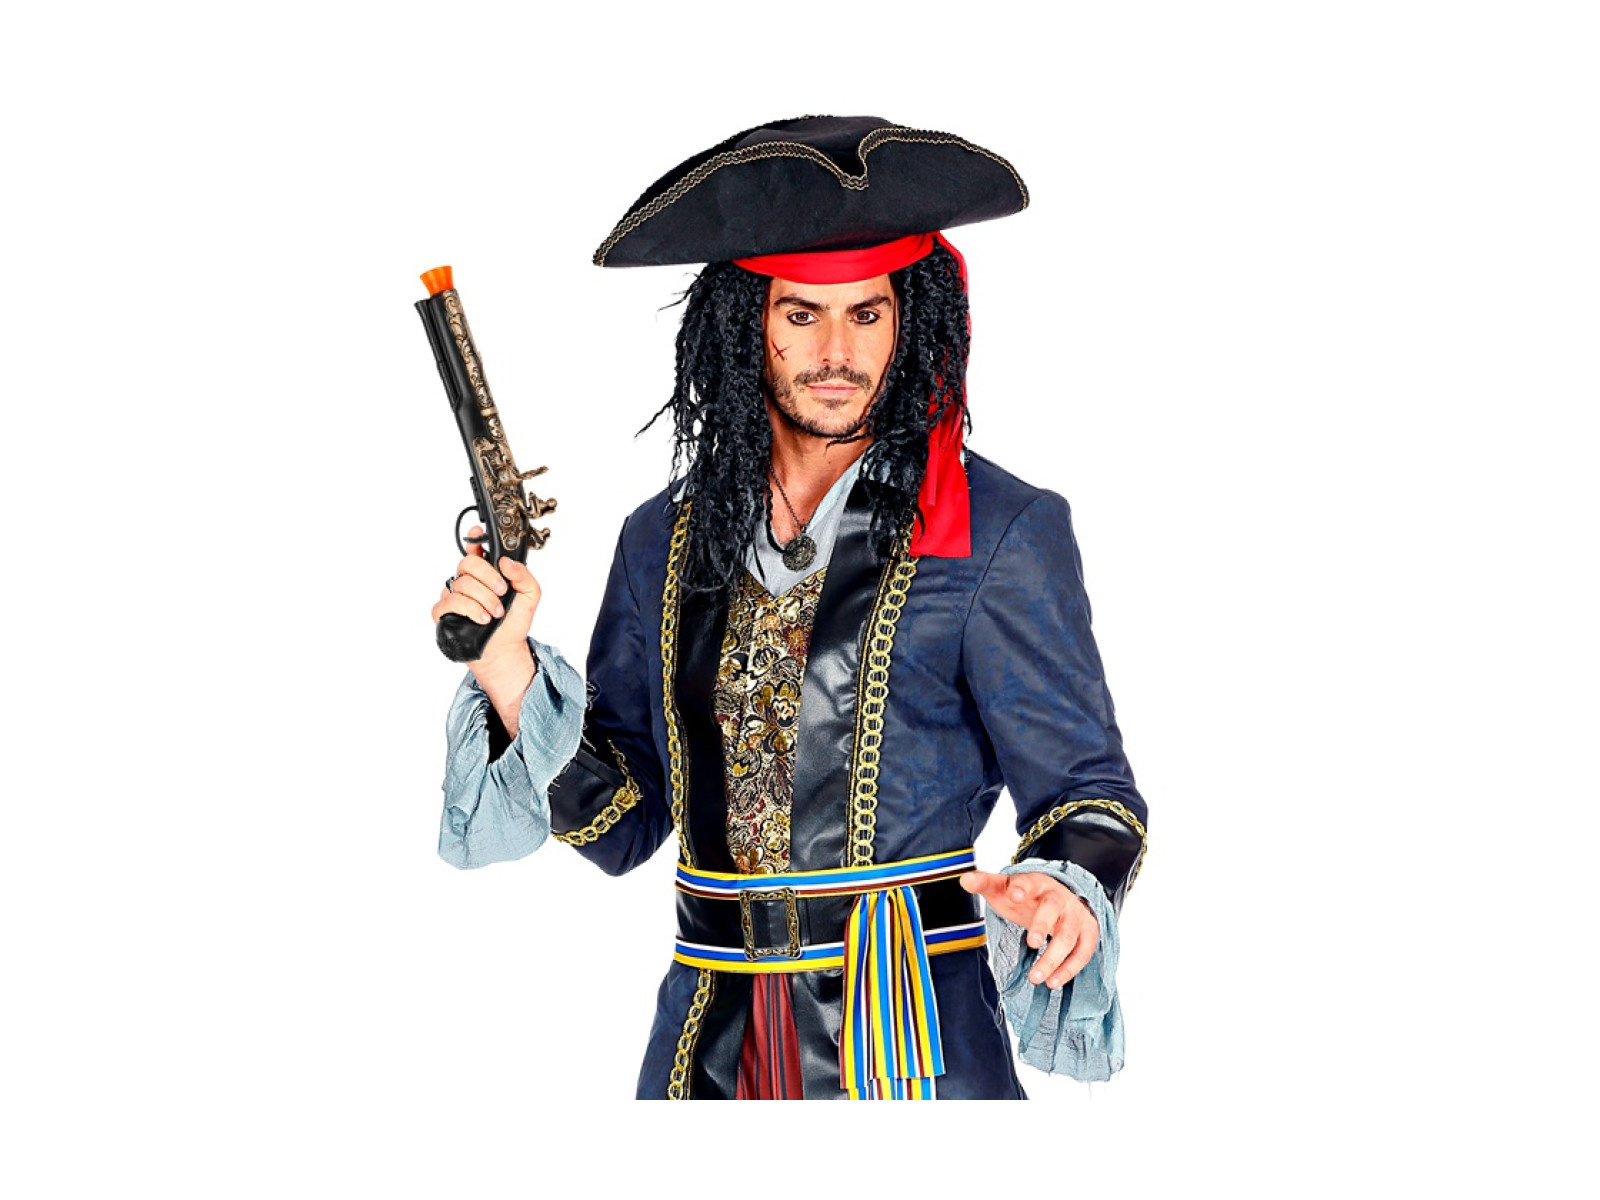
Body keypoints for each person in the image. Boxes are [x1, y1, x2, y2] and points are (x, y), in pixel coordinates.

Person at [431, 116, 1150, 1100]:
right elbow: (623, 826)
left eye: (867, 314)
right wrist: (507, 666)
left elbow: (1087, 790)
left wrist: (1064, 886)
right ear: (747, 326)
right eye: (802, 315)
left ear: (909, 321)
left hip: (914, 1045)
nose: (837, 352)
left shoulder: (999, 530)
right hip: (706, 1045)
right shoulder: (662, 539)